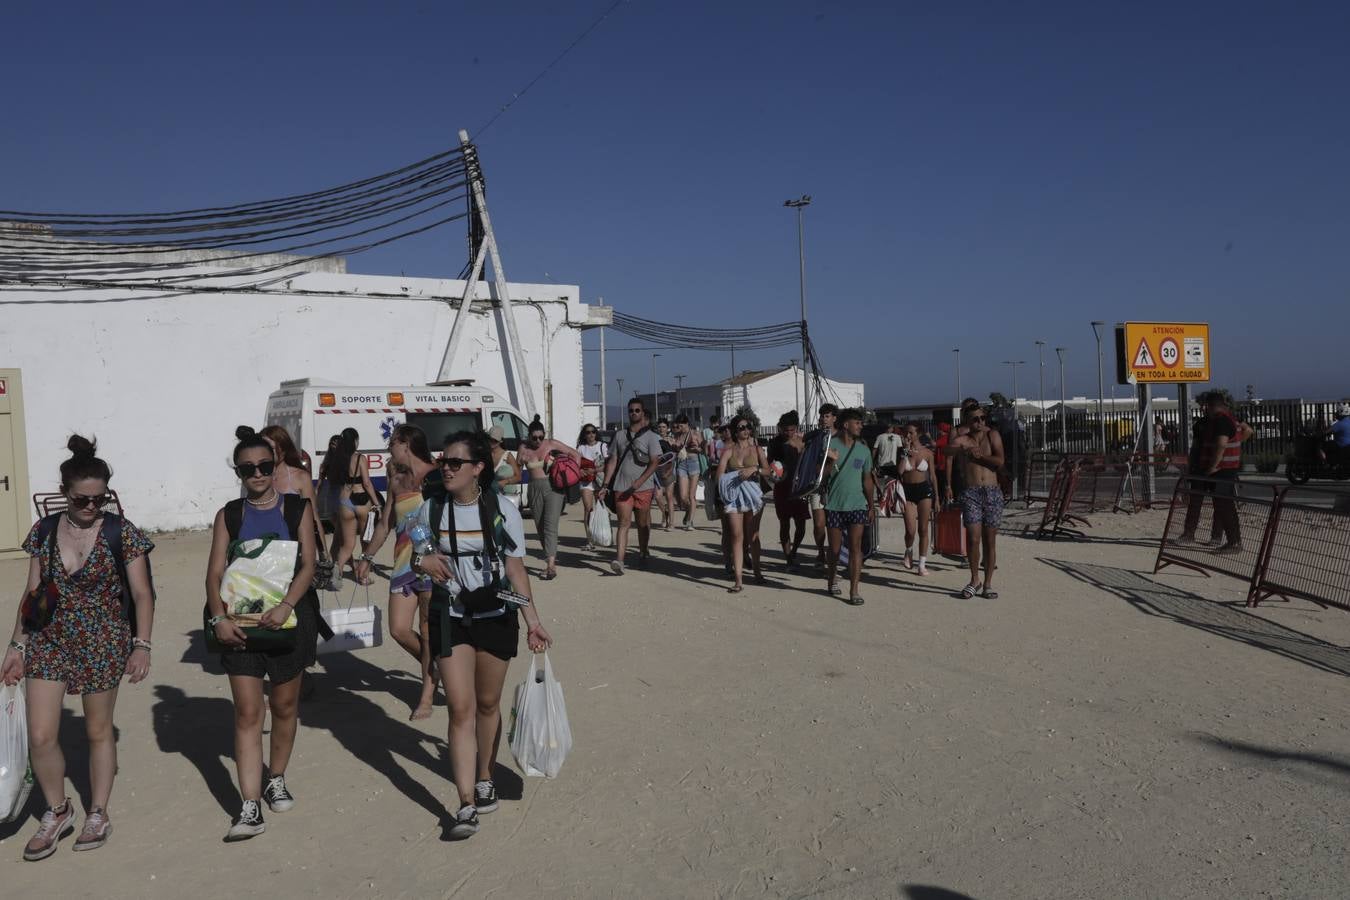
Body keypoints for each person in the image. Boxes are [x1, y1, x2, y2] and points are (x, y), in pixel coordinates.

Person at [2, 436, 155, 860]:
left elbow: (142, 594)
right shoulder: (45, 531)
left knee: (96, 730)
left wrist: (141, 644)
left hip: (103, 641)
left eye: (99, 498)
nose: (91, 506)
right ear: (64, 493)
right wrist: (16, 645)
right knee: (40, 734)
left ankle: (98, 812)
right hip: (50, 639)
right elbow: (32, 592)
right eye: (82, 499)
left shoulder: (121, 532)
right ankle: (58, 810)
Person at [411, 430, 552, 839]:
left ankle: (486, 775)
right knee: (460, 708)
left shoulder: (501, 510)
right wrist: (426, 562)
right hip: (450, 616)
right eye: (444, 461)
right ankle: (466, 802)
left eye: (456, 463)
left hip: (494, 614)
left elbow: (515, 570)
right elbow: (416, 556)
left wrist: (533, 622)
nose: (447, 468)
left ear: (478, 469)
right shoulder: (431, 510)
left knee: (488, 704)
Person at [205, 426, 320, 842]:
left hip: (289, 619)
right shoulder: (229, 515)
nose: (257, 474)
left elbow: (308, 563)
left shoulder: (297, 508)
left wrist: (287, 604)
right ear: (238, 471)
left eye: (264, 466)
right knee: (249, 713)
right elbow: (215, 572)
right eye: (248, 468)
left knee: (285, 707)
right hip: (241, 625)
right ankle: (249, 805)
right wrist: (219, 618)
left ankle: (277, 777)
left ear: (275, 465)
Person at [356, 425, 439, 719]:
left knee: (429, 632)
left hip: (434, 564)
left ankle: (426, 696)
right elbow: (385, 524)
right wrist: (366, 556)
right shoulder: (397, 480)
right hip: (405, 564)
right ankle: (439, 668)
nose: (387, 449)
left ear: (405, 444)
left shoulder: (437, 476)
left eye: (391, 443)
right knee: (399, 629)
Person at [598, 400, 663, 575]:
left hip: (643, 488)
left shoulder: (651, 437)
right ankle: (619, 560)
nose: (634, 413)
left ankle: (643, 552)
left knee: (642, 524)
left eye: (637, 410)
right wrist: (605, 485)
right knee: (623, 524)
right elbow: (612, 461)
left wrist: (639, 482)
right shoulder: (619, 435)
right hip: (622, 487)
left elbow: (655, 462)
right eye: (631, 411)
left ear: (642, 413)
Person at [946, 406, 1005, 599]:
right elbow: (947, 451)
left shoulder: (992, 435)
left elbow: (1000, 461)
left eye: (982, 418)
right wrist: (961, 447)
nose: (980, 422)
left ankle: (987, 583)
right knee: (973, 538)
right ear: (967, 422)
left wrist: (981, 456)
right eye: (975, 419)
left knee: (990, 541)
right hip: (971, 492)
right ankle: (974, 579)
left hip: (992, 492)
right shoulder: (964, 439)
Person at [1179, 391, 1251, 551]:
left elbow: (1221, 445)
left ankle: (1230, 541)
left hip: (1219, 470)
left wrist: (1213, 466)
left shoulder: (1222, 421)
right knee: (1219, 504)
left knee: (1223, 505)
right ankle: (1221, 539)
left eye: (1204, 405)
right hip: (1212, 468)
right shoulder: (1215, 422)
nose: (1203, 408)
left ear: (1210, 406)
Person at [515, 421, 582, 580]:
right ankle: (549, 556)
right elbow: (517, 469)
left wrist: (571, 476)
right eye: (534, 437)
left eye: (541, 437)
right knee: (540, 526)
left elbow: (576, 455)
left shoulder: (551, 444)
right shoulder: (523, 449)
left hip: (553, 488)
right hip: (534, 488)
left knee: (550, 525)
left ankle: (551, 565)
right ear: (529, 435)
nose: (538, 440)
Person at [822, 409, 876, 605]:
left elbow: (867, 480)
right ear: (846, 425)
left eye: (861, 423)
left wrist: (871, 506)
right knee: (835, 550)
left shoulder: (863, 449)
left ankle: (854, 590)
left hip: (858, 505)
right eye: (857, 422)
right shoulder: (829, 445)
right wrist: (829, 461)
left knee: (855, 548)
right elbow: (822, 476)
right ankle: (831, 578)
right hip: (834, 505)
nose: (861, 426)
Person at [318, 428, 380, 585]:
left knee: (347, 545)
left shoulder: (338, 459)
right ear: (355, 441)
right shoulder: (360, 458)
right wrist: (377, 503)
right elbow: (366, 483)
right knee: (365, 542)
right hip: (362, 502)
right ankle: (363, 577)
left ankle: (335, 573)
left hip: (344, 502)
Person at [717, 415, 770, 592]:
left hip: (753, 494)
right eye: (741, 428)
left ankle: (757, 572)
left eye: (747, 427)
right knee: (736, 536)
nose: (745, 430)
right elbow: (719, 475)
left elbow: (768, 471)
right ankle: (739, 579)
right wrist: (728, 482)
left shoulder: (757, 450)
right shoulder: (729, 451)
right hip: (734, 496)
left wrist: (754, 469)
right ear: (734, 431)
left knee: (753, 536)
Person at [767, 411, 809, 568]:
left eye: (791, 429)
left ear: (796, 428)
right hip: (782, 488)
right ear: (780, 428)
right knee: (784, 524)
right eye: (785, 429)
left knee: (801, 526)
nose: (789, 433)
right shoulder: (775, 443)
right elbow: (771, 464)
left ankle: (795, 550)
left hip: (800, 488)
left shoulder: (803, 442)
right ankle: (788, 558)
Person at [899, 422, 939, 575]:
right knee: (910, 530)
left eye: (910, 433)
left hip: (924, 490)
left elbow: (933, 476)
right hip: (907, 491)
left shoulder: (928, 453)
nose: (907, 436)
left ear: (919, 434)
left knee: (923, 529)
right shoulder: (903, 451)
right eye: (906, 433)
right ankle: (908, 551)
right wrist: (905, 453)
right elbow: (901, 471)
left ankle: (922, 564)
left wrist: (937, 498)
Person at [809, 404, 839, 569]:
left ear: (834, 418)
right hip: (818, 485)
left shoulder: (841, 437)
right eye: (821, 416)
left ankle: (834, 556)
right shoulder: (816, 437)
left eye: (827, 416)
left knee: (834, 525)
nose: (823, 419)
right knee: (819, 524)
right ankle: (821, 552)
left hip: (835, 485)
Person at [576, 423, 609, 547]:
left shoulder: (603, 446)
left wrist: (595, 470)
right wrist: (580, 471)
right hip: (586, 482)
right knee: (588, 509)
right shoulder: (581, 448)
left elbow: (608, 463)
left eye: (593, 431)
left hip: (599, 481)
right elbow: (576, 464)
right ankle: (589, 539)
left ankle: (603, 534)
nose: (591, 434)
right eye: (588, 432)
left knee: (601, 507)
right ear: (584, 435)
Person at [671, 415, 704, 531]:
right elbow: (675, 450)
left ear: (687, 424)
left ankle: (690, 522)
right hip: (682, 463)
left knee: (691, 495)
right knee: (683, 496)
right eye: (678, 426)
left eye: (681, 425)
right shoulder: (678, 435)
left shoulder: (695, 434)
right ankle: (688, 512)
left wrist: (697, 449)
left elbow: (703, 449)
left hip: (693, 462)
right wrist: (675, 447)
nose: (680, 428)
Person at [651, 419, 677, 531]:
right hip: (656, 472)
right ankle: (664, 512)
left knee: (669, 497)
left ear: (668, 428)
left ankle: (671, 523)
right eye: (660, 427)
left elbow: (674, 457)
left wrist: (670, 471)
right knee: (657, 496)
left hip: (669, 471)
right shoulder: (653, 440)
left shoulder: (671, 441)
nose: (661, 429)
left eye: (664, 427)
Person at [487, 426, 522, 507]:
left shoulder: (507, 456)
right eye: (490, 439)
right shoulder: (485, 455)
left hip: (506, 497)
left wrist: (505, 482)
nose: (491, 442)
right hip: (490, 496)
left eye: (495, 441)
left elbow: (518, 477)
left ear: (500, 441)